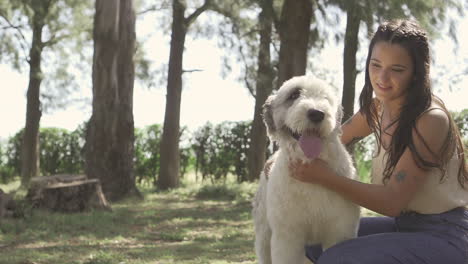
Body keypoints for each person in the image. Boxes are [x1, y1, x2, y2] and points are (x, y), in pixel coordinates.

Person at [265, 19, 468, 263]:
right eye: (376, 65)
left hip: (447, 235)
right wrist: (282, 155)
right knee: (312, 246)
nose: (382, 77)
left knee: (338, 258)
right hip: (404, 225)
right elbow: (331, 137)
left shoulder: (431, 119)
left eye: (397, 69)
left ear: (417, 73)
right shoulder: (377, 109)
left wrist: (324, 177)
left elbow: (392, 201)